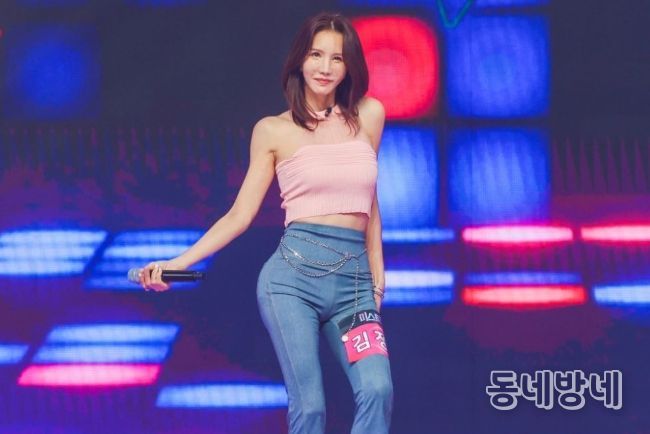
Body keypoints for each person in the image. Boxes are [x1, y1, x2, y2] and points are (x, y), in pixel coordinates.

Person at [139, 11, 393, 434]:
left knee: (377, 389)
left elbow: (370, 200)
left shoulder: (370, 115)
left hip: (353, 287)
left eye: (337, 57)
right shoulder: (274, 130)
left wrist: (377, 273)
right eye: (316, 55)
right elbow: (240, 215)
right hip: (291, 283)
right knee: (310, 408)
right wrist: (177, 262)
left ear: (349, 66)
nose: (325, 67)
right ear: (300, 60)